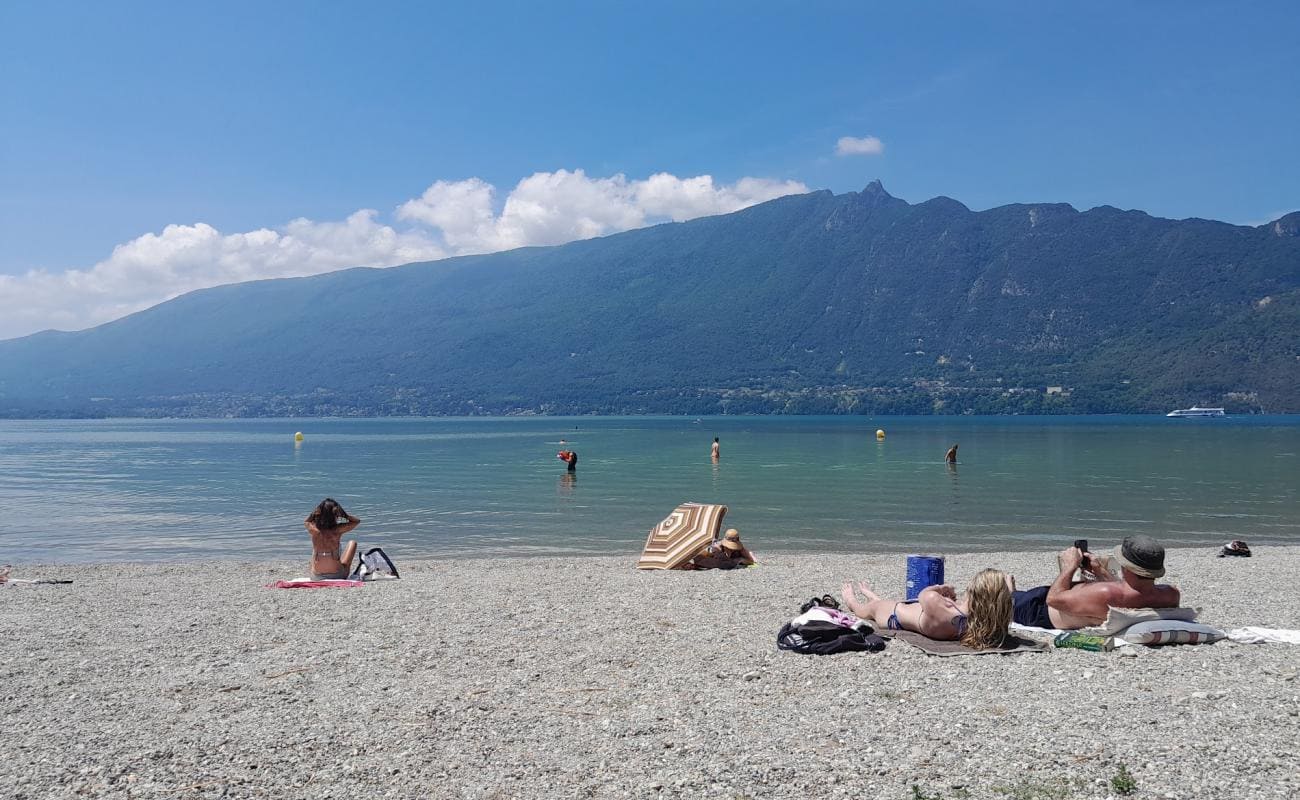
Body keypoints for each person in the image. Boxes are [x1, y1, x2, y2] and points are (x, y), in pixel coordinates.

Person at [1010, 535, 1181, 630]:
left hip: (1038, 610)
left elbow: (1053, 599)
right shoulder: (1170, 595)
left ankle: (1010, 592)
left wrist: (1069, 567)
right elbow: (1126, 591)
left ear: (1126, 567)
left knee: (1005, 590)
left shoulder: (1105, 593)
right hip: (1060, 601)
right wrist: (1100, 571)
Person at [840, 568, 1012, 650]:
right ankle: (873, 596)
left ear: (973, 590)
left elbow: (923, 594)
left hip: (893, 616)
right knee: (883, 602)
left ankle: (852, 599)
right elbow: (1004, 603)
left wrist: (942, 587)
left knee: (864, 610)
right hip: (911, 614)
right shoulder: (981, 623)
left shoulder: (939, 605)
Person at [305, 498, 360, 579]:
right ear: (335, 514)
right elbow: (356, 521)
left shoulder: (314, 530)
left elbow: (306, 521)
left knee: (315, 550)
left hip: (316, 576)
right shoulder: (337, 530)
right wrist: (344, 515)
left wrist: (315, 512)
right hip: (337, 575)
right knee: (352, 543)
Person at [682, 528, 757, 570]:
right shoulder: (718, 547)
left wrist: (742, 559)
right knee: (726, 564)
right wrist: (717, 551)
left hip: (723, 562)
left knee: (729, 564)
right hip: (710, 557)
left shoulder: (739, 550)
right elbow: (702, 554)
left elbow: (751, 560)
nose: (732, 548)